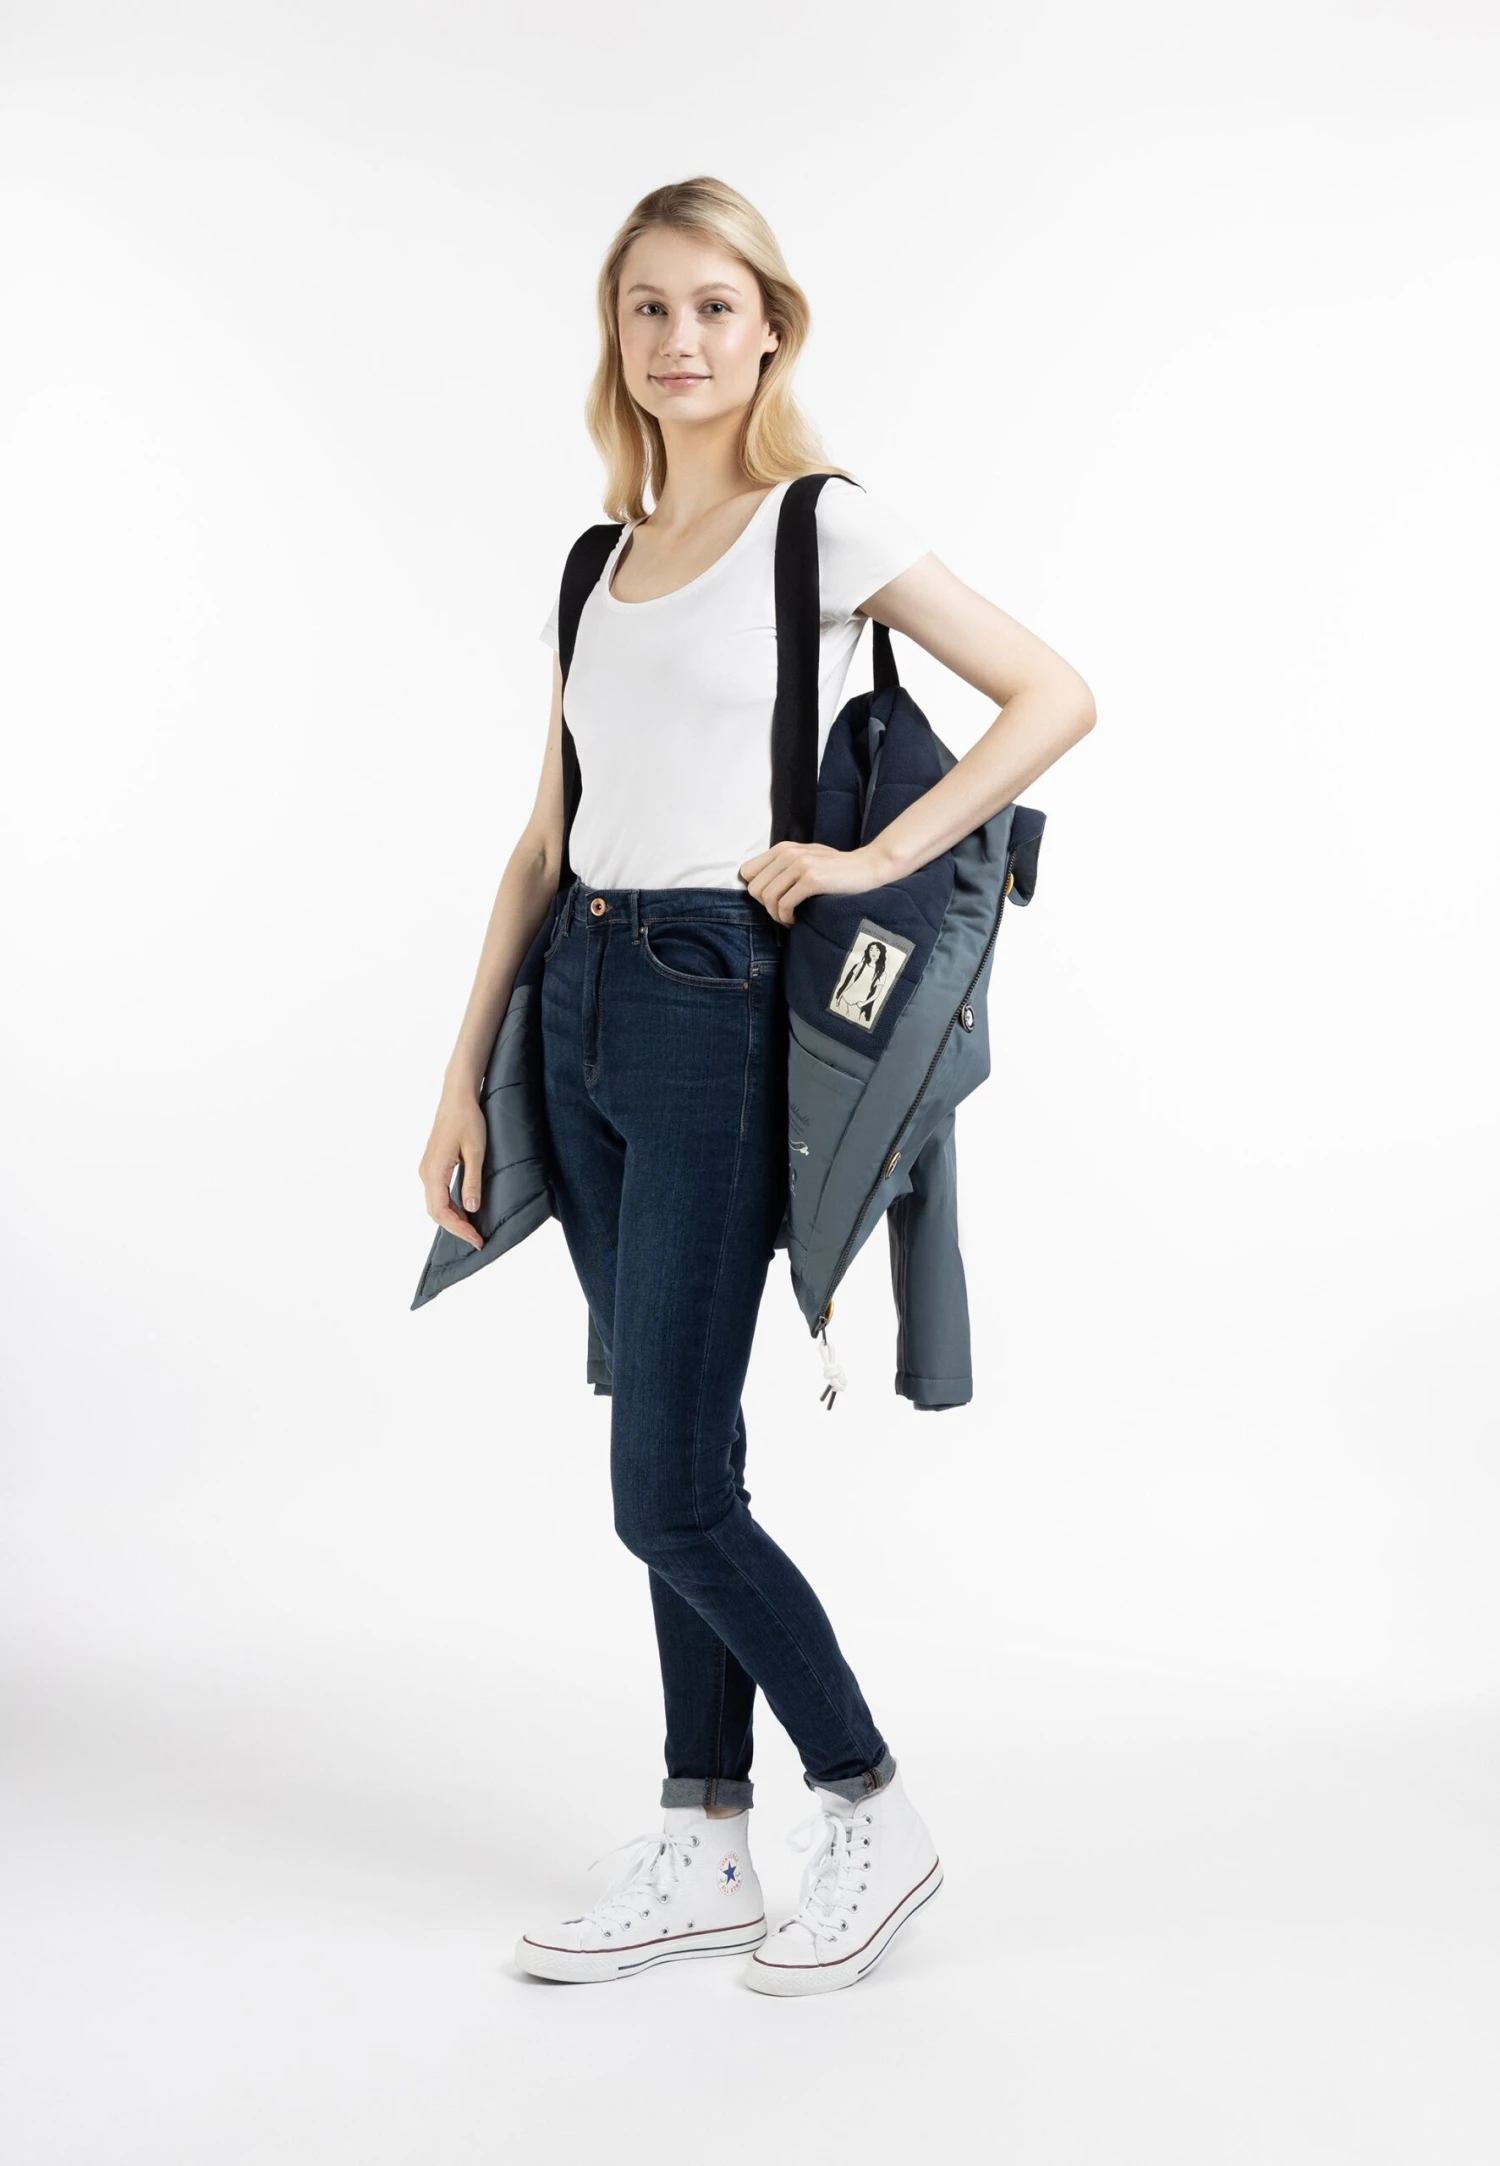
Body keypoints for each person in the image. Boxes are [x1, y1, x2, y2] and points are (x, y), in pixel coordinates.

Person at [417, 177, 1096, 1995]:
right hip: (579, 1004)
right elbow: (541, 842)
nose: (680, 340)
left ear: (772, 329)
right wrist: (463, 1076)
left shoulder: (823, 524)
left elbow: (1051, 694)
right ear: (615, 333)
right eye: (648, 306)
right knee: (679, 1441)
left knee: (662, 1490)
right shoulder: (596, 564)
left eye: (716, 306)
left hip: (718, 1009)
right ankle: (705, 1839)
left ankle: (869, 1801)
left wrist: (871, 860)